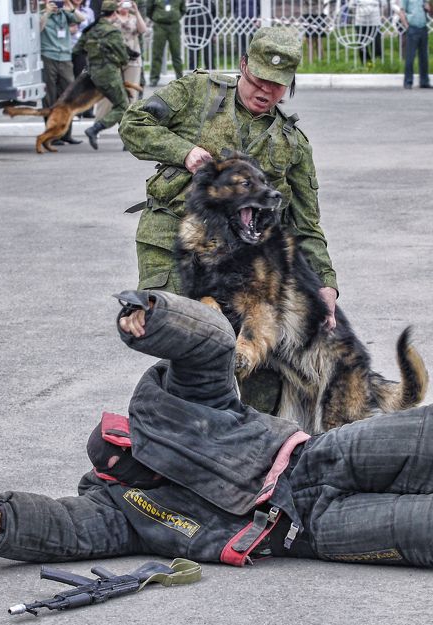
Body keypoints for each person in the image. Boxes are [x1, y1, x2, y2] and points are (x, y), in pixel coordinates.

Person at [0, 289, 433, 575]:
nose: (133, 460)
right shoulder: (119, 510)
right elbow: (68, 531)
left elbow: (209, 346)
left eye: (127, 448)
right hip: (300, 532)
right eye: (123, 462)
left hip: (310, 463)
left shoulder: (173, 404)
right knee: (429, 529)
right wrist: (3, 522)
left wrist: (151, 317)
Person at [119, 25, 339, 414]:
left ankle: (257, 448)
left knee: (261, 360)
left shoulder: (292, 144)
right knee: (192, 344)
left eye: (278, 86)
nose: (265, 92)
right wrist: (184, 152)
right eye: (258, 80)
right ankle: (177, 444)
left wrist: (326, 286)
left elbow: (306, 224)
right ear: (242, 67)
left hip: (245, 261)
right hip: (175, 241)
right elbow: (133, 124)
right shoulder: (196, 93)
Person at [80, 0, 134, 149]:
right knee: (122, 105)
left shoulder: (90, 29)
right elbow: (123, 58)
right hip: (109, 74)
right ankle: (95, 129)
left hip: (94, 74)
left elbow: (77, 49)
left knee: (121, 103)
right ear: (114, 13)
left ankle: (127, 141)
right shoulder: (112, 31)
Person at [93, 0, 149, 122]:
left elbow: (143, 30)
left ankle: (128, 123)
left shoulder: (133, 18)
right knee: (109, 92)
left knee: (131, 93)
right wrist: (114, 10)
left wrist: (136, 11)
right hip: (114, 59)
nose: (125, 6)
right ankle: (98, 122)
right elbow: (101, 27)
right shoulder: (111, 17)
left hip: (133, 59)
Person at [41, 0, 87, 145]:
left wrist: (69, 5)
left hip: (65, 57)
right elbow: (38, 28)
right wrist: (47, 12)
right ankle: (51, 134)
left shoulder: (64, 14)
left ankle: (66, 133)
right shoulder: (42, 14)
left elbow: (81, 19)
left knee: (69, 96)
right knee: (50, 96)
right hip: (48, 56)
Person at [146, 0, 188, 86]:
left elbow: (183, 9)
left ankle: (180, 78)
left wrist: (175, 16)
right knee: (157, 53)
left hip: (174, 26)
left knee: (176, 53)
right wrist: (157, 17)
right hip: (159, 25)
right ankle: (154, 78)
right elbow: (149, 10)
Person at [399, 0, 433, 89]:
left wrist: (428, 8)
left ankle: (424, 81)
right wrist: (407, 26)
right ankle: (408, 82)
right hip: (412, 28)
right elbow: (402, 11)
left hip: (423, 27)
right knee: (410, 57)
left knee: (424, 57)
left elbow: (429, 9)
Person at [183, 0, 217, 71]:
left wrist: (215, 34)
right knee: (193, 56)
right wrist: (186, 32)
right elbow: (186, 18)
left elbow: (215, 19)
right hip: (193, 32)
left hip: (208, 32)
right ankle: (191, 74)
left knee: (209, 55)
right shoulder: (192, 3)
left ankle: (211, 73)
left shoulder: (210, 3)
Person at [350, 0, 386, 65]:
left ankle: (378, 62)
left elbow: (384, 5)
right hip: (360, 22)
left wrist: (380, 17)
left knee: (376, 43)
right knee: (361, 43)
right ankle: (366, 63)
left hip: (375, 22)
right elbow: (351, 6)